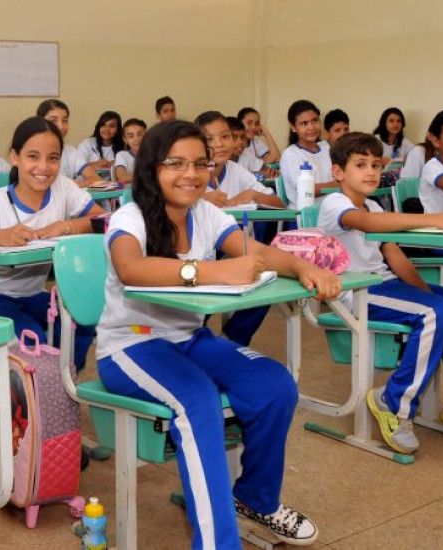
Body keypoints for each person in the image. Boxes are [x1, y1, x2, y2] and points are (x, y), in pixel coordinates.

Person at [98, 120, 336, 549]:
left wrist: (303, 266)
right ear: (152, 167)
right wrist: (209, 270)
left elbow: (255, 251)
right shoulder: (129, 217)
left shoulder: (207, 213)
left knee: (275, 385)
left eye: (200, 163)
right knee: (198, 402)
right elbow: (130, 267)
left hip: (190, 340)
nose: (190, 173)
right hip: (131, 344)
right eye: (176, 163)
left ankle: (254, 499)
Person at [317, 132, 443, 453]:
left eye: (375, 164)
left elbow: (395, 257)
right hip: (356, 291)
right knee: (434, 313)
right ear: (338, 172)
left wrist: (427, 292)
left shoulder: (373, 202)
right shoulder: (334, 203)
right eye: (360, 165)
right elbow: (369, 224)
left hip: (386, 285)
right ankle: (392, 402)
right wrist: (437, 220)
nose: (371, 171)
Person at [0, 116, 104, 370]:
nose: (43, 167)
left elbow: (101, 218)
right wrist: (2, 235)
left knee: (82, 321)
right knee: (34, 341)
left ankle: (62, 383)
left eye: (53, 158)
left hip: (34, 293)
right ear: (15, 157)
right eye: (33, 156)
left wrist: (65, 226)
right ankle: (37, 394)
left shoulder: (63, 188)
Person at [279, 100, 337, 209]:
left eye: (315, 121)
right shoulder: (291, 155)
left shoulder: (327, 148)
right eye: (304, 123)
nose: (311, 127)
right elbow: (306, 190)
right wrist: (338, 184)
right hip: (304, 215)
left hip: (330, 210)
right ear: (294, 127)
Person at [36, 99, 99, 186]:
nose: (61, 126)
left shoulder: (70, 151)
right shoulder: (31, 151)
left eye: (65, 120)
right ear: (40, 122)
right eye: (53, 121)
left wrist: (69, 188)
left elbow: (95, 179)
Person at [114, 118, 146, 183]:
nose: (136, 139)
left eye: (140, 134)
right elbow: (122, 176)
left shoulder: (154, 153)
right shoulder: (122, 155)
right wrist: (148, 177)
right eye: (131, 136)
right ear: (125, 139)